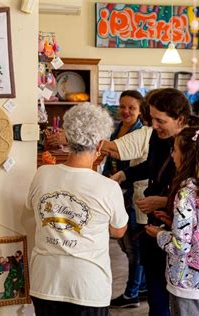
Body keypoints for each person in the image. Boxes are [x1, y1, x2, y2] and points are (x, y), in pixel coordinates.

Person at [26, 103, 128, 316]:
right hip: (87, 286)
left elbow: (31, 208)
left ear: (68, 137)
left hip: (45, 282)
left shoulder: (42, 174)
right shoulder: (108, 187)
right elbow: (118, 231)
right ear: (100, 144)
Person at [112, 88, 191, 316]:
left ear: (181, 120)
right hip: (155, 225)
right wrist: (124, 175)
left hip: (180, 234)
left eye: (160, 120)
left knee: (175, 298)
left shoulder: (198, 145)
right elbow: (152, 165)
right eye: (152, 119)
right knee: (156, 294)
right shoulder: (158, 136)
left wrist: (164, 201)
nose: (154, 126)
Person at [145, 126, 199, 316]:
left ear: (186, 155)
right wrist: (174, 221)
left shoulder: (185, 193)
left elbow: (180, 245)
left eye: (175, 149)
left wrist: (160, 234)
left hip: (186, 279)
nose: (172, 154)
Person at [105, 90, 148, 308]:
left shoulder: (140, 133)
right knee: (125, 244)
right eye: (122, 106)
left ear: (141, 111)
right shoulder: (117, 129)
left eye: (131, 107)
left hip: (130, 194)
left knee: (133, 246)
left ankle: (132, 293)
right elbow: (108, 160)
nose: (126, 111)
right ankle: (141, 286)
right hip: (116, 190)